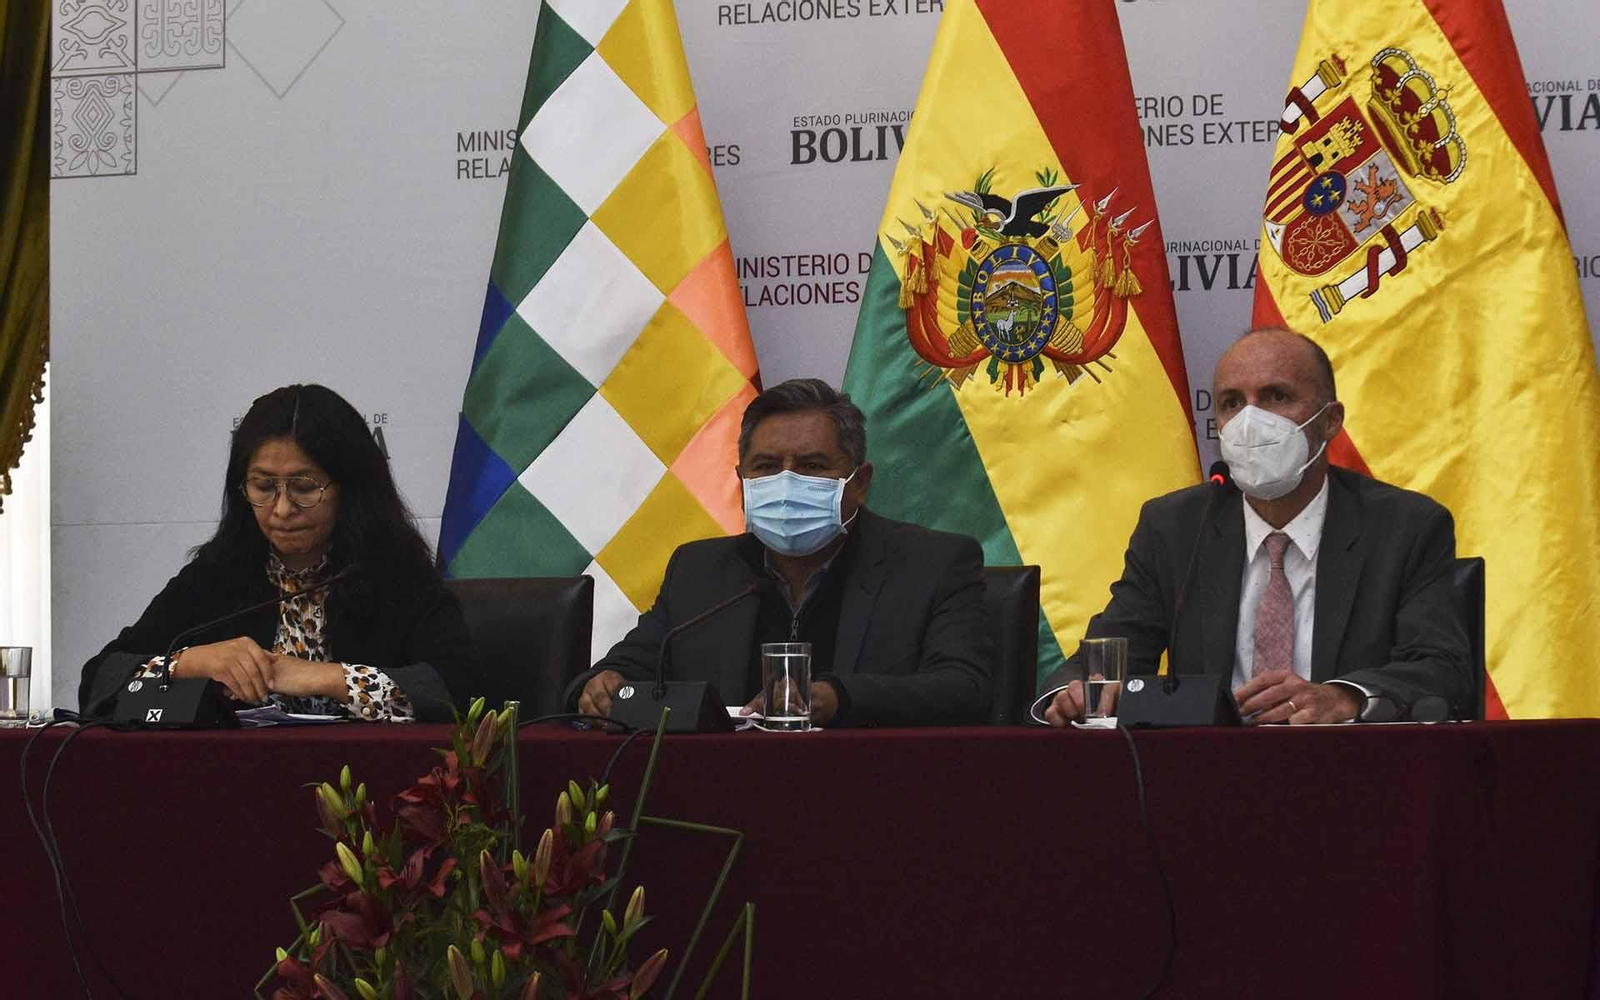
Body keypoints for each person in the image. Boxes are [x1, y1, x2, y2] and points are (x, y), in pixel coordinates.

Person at [1033, 327, 1472, 727]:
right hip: (1206, 771)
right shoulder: (1176, 527)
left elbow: (1442, 669)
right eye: (1232, 403)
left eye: (1277, 397)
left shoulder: (1405, 527)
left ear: (1330, 420)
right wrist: (1078, 693)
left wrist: (1345, 698)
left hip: (1350, 770)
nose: (1250, 422)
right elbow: (1107, 657)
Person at [568, 379, 993, 727]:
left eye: (812, 466)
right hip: (721, 788)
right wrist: (600, 685)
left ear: (860, 483)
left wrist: (838, 697)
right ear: (743, 481)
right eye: (767, 467)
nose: (786, 483)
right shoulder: (700, 571)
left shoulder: (932, 564)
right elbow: (624, 669)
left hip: (871, 785)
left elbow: (966, 689)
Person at [79, 384, 473, 722]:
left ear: (350, 489)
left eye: (304, 488)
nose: (282, 509)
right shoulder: (216, 576)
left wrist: (321, 677)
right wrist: (191, 662)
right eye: (264, 487)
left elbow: (459, 693)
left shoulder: (397, 575)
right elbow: (98, 684)